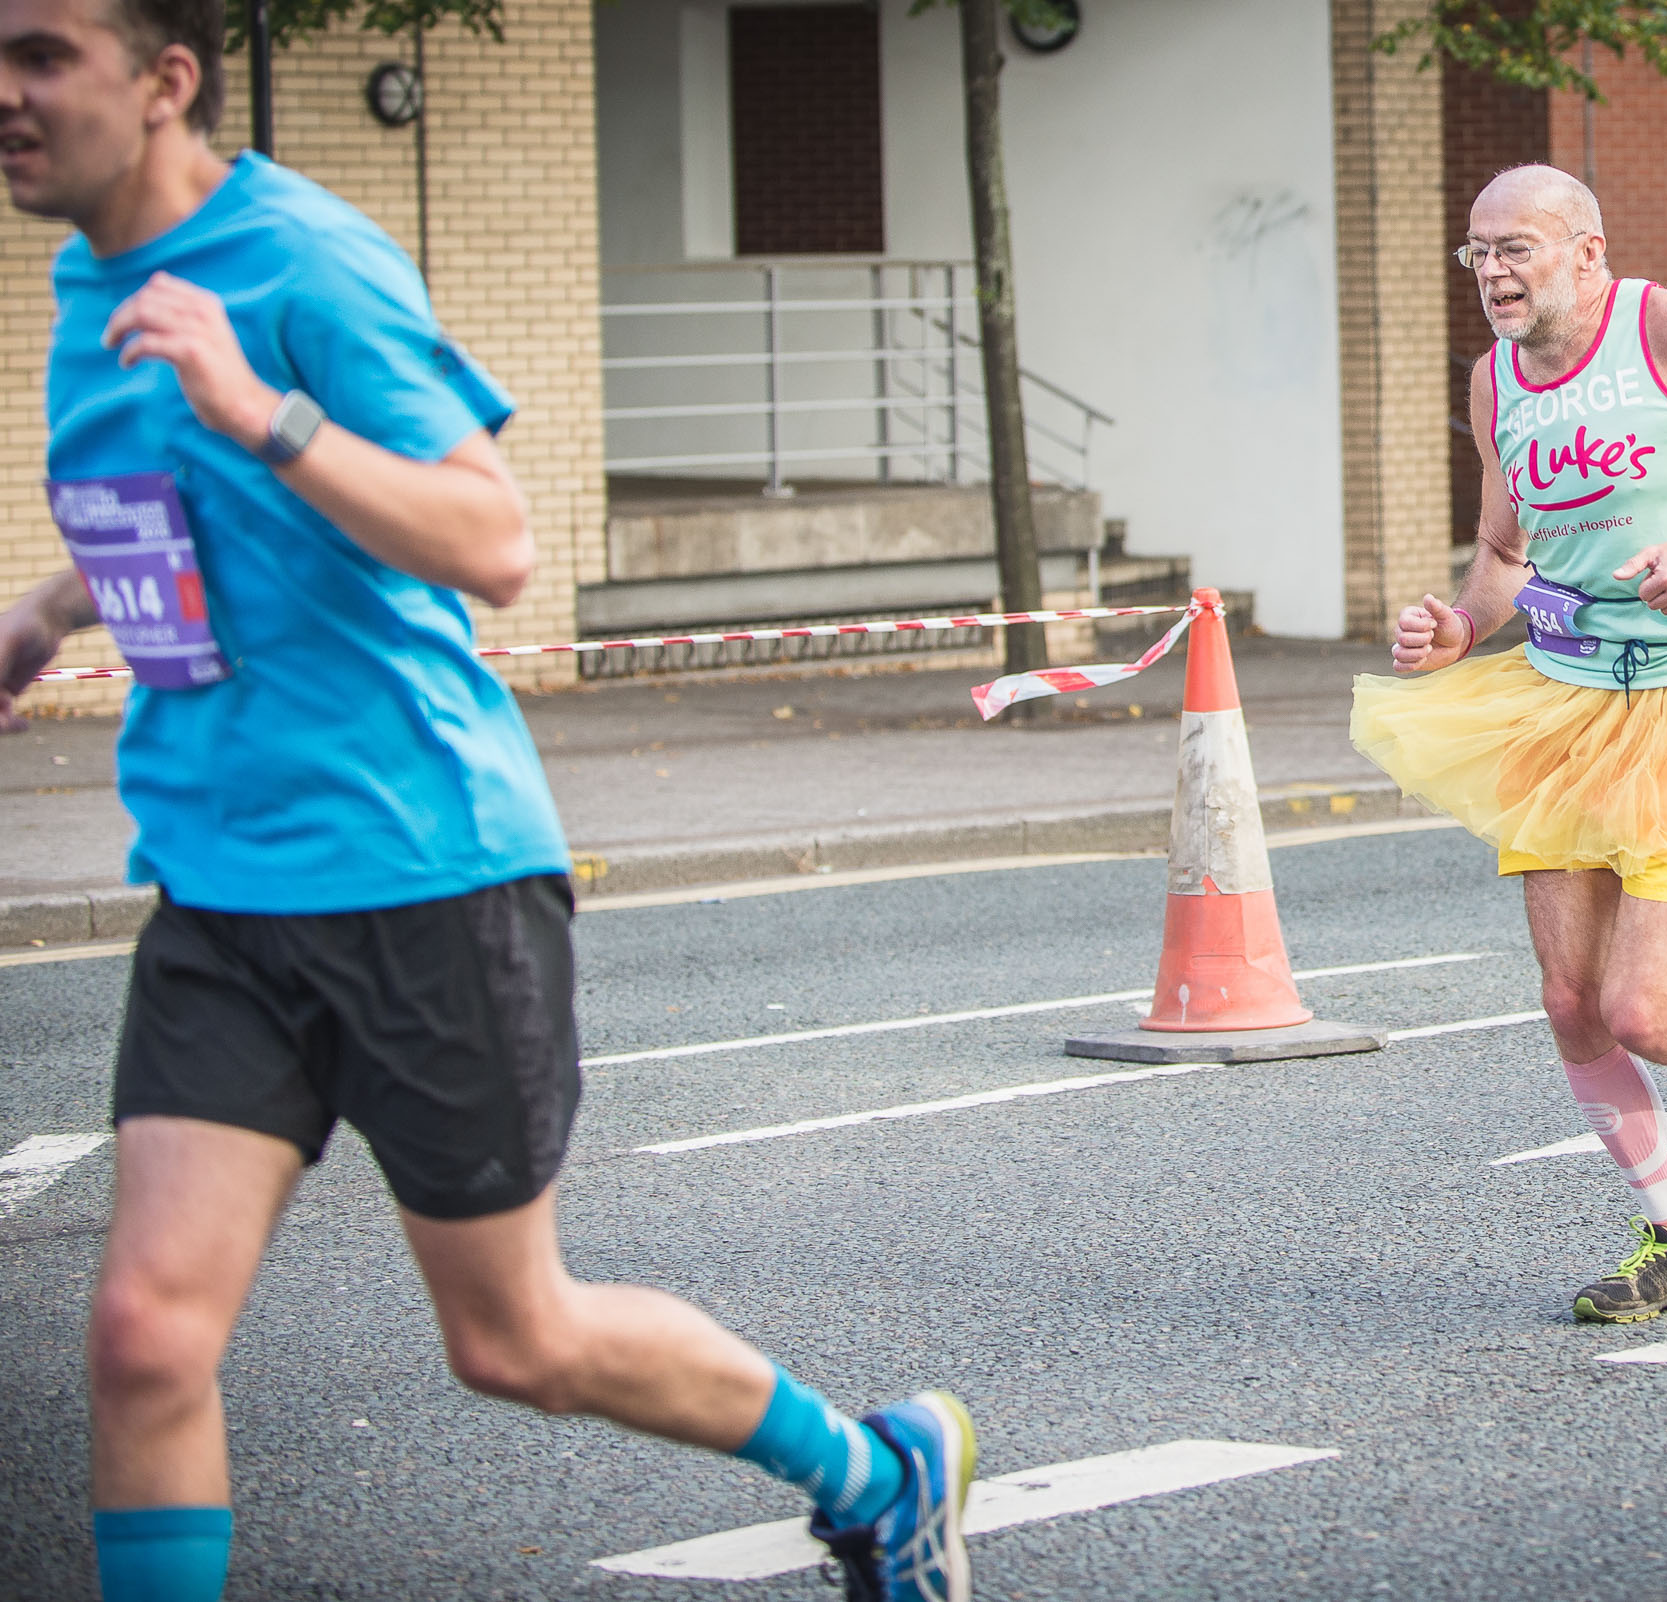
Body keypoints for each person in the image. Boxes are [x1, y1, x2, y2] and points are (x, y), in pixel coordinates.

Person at [0, 0, 973, 1595]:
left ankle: (874, 1471)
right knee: (143, 1334)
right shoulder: (85, 284)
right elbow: (194, 521)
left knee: (516, 1337)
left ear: (166, 80)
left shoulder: (306, 263)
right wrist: (48, 611)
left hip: (419, 870)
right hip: (219, 881)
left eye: (42, 56)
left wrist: (264, 408)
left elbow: (492, 538)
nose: (7, 93)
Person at [1351, 164, 1667, 1323]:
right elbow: (1506, 554)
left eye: (1515, 249)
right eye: (1477, 252)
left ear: (1587, 253)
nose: (1491, 273)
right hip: (1561, 703)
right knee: (1570, 1000)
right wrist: (1459, 626)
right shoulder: (1495, 381)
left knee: (1641, 1009)